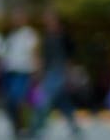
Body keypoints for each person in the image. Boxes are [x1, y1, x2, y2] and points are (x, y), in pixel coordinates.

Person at [29, 8, 82, 138]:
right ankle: (74, 126)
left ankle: (36, 127)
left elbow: (69, 56)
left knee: (44, 99)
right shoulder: (46, 36)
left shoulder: (63, 36)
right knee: (63, 101)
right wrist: (39, 71)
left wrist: (68, 73)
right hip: (49, 72)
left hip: (59, 72)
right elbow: (42, 56)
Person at [0, 7, 39, 138]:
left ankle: (24, 126)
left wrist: (36, 71)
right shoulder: (11, 34)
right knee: (9, 102)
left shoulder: (29, 34)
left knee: (17, 99)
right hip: (9, 72)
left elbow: (34, 53)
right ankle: (17, 126)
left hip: (22, 72)